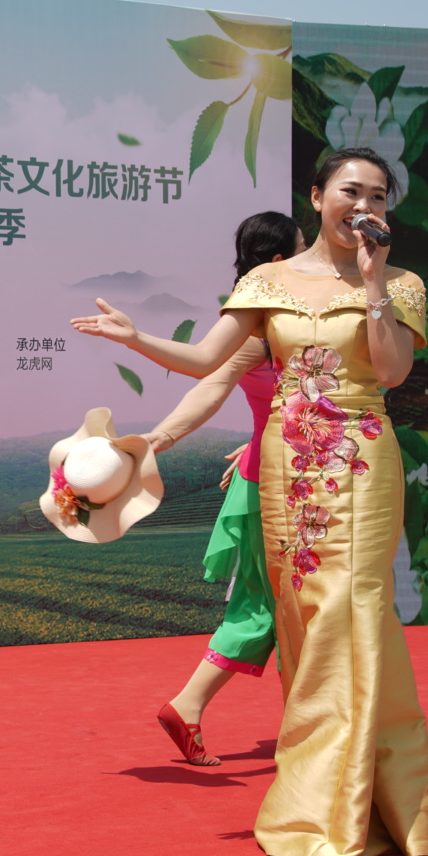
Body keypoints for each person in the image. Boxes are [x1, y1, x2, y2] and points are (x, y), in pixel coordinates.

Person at [72, 147, 428, 856]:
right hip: (289, 464)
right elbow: (207, 362)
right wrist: (137, 340)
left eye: (379, 197)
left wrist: (373, 285)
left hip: (361, 454)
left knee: (353, 608)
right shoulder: (269, 281)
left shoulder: (402, 282)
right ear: (317, 196)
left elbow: (389, 372)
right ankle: (393, 787)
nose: (366, 207)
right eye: (352, 191)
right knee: (305, 617)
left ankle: (340, 800)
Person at [145, 212, 303, 766]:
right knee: (277, 608)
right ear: (283, 260)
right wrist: (159, 437)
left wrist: (256, 435)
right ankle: (195, 707)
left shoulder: (279, 319)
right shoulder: (265, 325)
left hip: (279, 474)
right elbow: (209, 383)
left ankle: (299, 731)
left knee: (277, 606)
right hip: (284, 487)